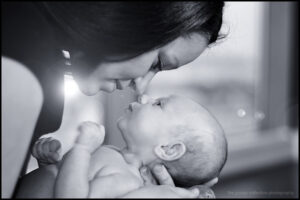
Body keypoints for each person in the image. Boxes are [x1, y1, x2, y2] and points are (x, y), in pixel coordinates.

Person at [2, 1, 225, 198]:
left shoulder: (32, 51)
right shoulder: (20, 65)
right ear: (134, 19)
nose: (141, 85)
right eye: (157, 62)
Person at [16, 95, 227, 198]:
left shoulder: (126, 179)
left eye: (158, 104)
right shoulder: (115, 156)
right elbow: (63, 185)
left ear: (168, 149)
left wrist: (81, 149)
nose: (145, 98)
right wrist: (51, 165)